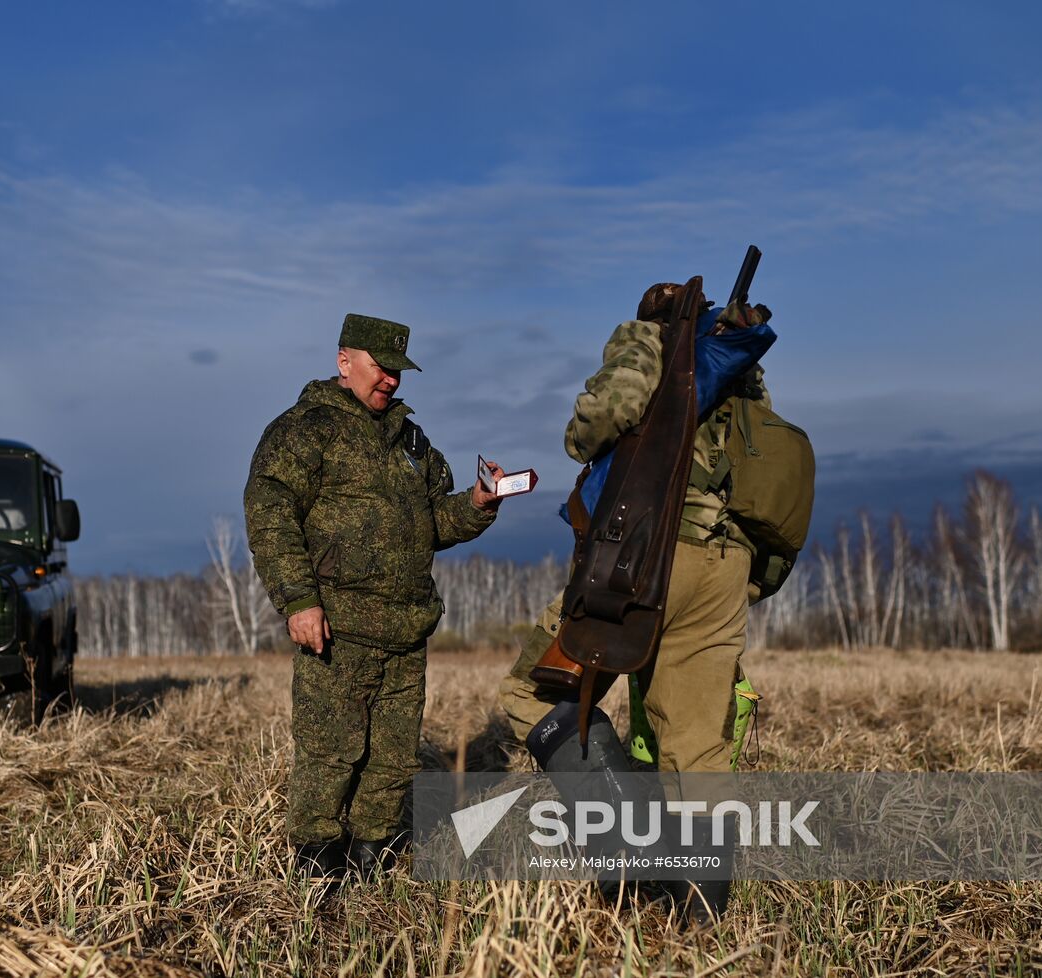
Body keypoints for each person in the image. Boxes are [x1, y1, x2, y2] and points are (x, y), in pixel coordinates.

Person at [497, 284, 773, 920]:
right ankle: (702, 915)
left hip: (645, 557)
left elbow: (602, 416)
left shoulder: (651, 339)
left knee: (532, 689)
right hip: (726, 563)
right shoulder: (745, 373)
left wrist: (582, 431)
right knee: (696, 744)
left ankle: (630, 852)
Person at [245, 313, 504, 879]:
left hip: (406, 629)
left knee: (390, 761)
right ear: (345, 361)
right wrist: (298, 600)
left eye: (399, 372)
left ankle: (373, 867)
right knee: (330, 755)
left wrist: (479, 504)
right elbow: (270, 516)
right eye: (381, 369)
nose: (391, 381)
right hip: (338, 627)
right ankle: (318, 876)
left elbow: (436, 519)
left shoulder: (412, 440)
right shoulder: (302, 429)